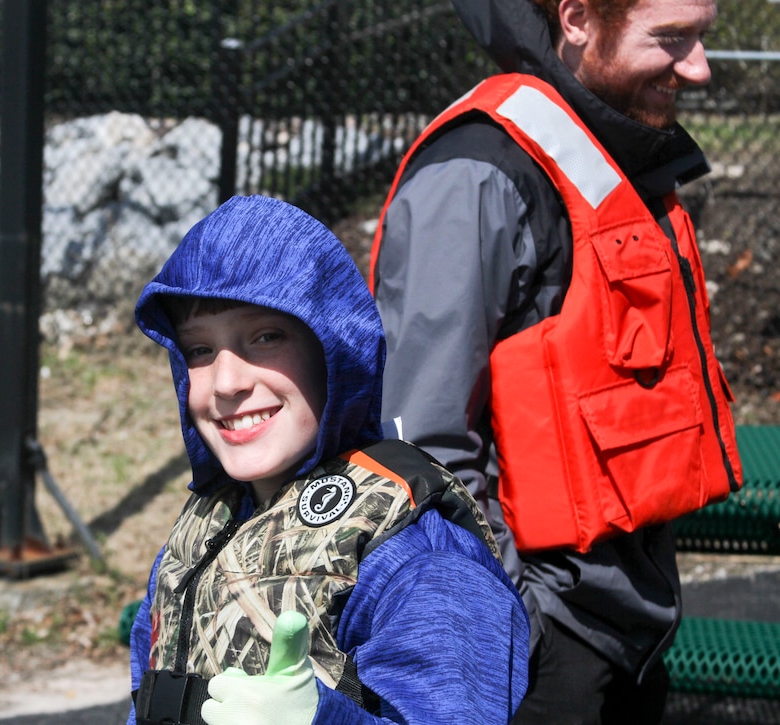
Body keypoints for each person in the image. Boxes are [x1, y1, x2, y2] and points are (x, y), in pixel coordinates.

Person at [369, 0, 743, 722]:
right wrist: (519, 624)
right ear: (575, 19)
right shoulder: (478, 173)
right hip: (541, 647)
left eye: (703, 38)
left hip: (628, 627)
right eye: (671, 39)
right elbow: (419, 446)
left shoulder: (615, 149)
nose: (699, 68)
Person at [127, 193, 529, 725]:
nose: (225, 382)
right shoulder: (201, 533)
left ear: (335, 351)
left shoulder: (412, 555)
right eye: (199, 350)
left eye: (266, 337)